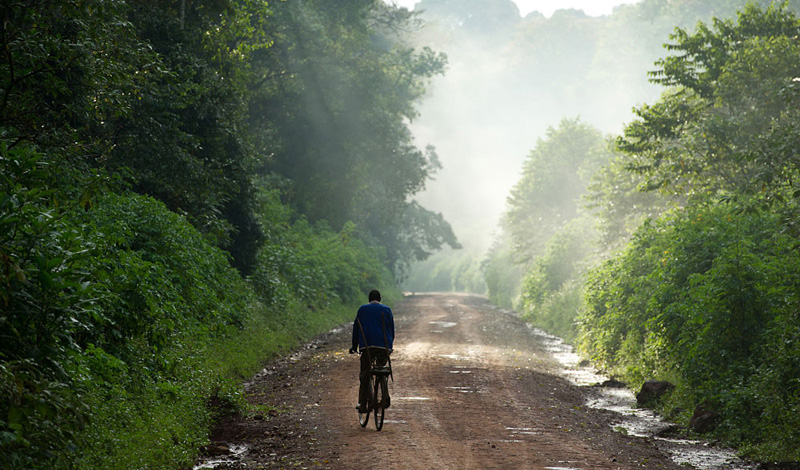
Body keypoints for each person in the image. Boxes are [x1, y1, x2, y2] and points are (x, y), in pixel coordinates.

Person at [349, 289, 394, 412]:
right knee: (381, 369)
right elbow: (391, 330)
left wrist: (354, 346)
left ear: (369, 299)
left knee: (365, 374)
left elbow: (356, 329)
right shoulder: (387, 310)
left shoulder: (363, 309)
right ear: (380, 299)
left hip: (367, 347)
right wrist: (389, 347)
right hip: (384, 346)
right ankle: (385, 395)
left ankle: (363, 404)